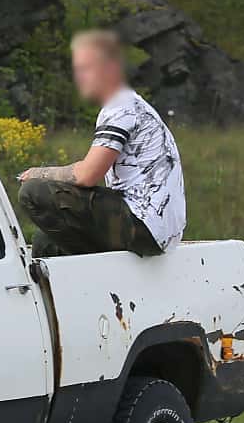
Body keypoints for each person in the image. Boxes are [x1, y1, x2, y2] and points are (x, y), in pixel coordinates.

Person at [17, 30, 185, 257]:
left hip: (145, 223)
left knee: (34, 192)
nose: (80, 77)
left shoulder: (121, 106)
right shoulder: (130, 104)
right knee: (45, 241)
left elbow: (88, 175)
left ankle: (91, 261)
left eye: (87, 68)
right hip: (157, 228)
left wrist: (38, 173)